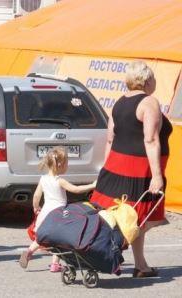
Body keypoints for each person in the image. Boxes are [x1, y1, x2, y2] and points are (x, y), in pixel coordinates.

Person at [90, 61, 172, 278]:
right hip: (138, 169)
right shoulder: (149, 102)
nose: (155, 82)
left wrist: (106, 169)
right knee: (140, 218)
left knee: (131, 217)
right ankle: (106, 252)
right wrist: (156, 176)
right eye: (153, 78)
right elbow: (151, 139)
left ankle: (141, 265)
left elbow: (110, 139)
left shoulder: (119, 102)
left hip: (116, 165)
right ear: (146, 80)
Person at [19, 146, 96, 271]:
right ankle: (55, 264)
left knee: (42, 237)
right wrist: (92, 185)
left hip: (45, 212)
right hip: (58, 214)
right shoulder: (60, 181)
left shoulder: (43, 179)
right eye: (67, 163)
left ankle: (28, 252)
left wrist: (35, 207)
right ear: (60, 165)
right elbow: (75, 189)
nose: (67, 166)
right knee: (58, 239)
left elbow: (37, 195)